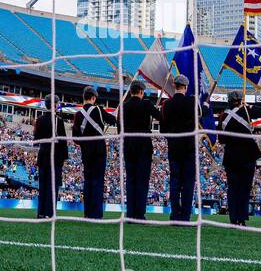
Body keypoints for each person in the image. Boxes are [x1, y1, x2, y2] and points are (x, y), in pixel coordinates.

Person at [159, 76, 199, 223]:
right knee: (188, 182)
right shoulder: (192, 102)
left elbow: (163, 130)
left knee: (175, 182)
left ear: (174, 86)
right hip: (189, 147)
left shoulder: (166, 104)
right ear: (186, 87)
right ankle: (186, 215)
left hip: (174, 147)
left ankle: (175, 214)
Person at [118, 79, 159, 221]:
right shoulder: (146, 104)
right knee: (142, 180)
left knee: (131, 180)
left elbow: (119, 129)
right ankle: (139, 214)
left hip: (128, 146)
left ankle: (130, 213)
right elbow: (160, 117)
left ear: (131, 91)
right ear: (141, 91)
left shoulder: (124, 106)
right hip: (143, 147)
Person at [217, 91, 259, 226]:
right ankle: (242, 218)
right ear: (241, 101)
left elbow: (221, 139)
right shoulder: (246, 111)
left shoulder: (223, 116)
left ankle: (233, 218)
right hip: (247, 156)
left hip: (231, 156)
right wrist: (249, 107)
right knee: (245, 188)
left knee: (233, 188)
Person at [72, 86, 113, 220]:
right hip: (99, 151)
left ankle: (87, 213)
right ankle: (96, 214)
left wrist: (85, 143)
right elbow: (113, 120)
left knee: (88, 182)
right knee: (98, 181)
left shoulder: (78, 115)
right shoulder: (99, 110)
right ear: (94, 98)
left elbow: (75, 138)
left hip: (86, 152)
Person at [32, 95, 69, 219]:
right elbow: (63, 141)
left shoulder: (40, 119)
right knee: (52, 186)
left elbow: (36, 140)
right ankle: (49, 213)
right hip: (55, 157)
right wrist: (65, 157)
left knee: (42, 186)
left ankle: (40, 213)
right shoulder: (58, 120)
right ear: (54, 104)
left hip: (43, 156)